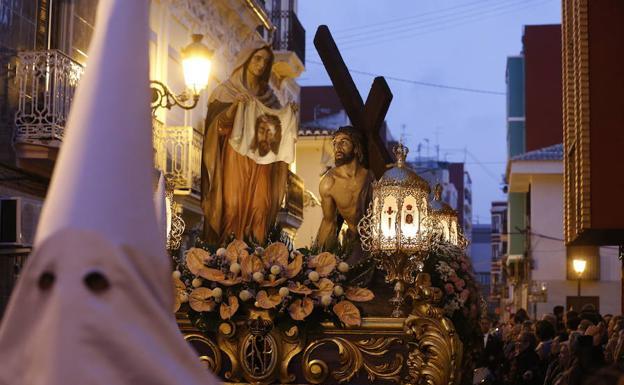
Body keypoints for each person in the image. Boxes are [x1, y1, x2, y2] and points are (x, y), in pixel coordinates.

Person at [201, 41, 290, 244]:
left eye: (266, 62)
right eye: (257, 59)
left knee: (261, 207)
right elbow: (218, 127)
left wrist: (287, 115)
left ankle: (256, 257)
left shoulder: (270, 99)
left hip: (261, 162)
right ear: (246, 60)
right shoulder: (226, 92)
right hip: (234, 157)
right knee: (232, 206)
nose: (261, 65)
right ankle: (227, 255)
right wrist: (234, 107)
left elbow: (278, 131)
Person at [315, 126, 374, 258]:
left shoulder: (371, 178)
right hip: (353, 243)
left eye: (344, 142)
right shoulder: (329, 183)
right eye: (335, 143)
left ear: (356, 147)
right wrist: (317, 256)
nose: (337, 147)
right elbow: (328, 222)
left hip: (376, 242)